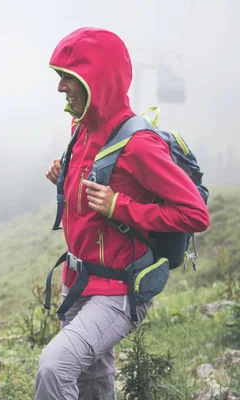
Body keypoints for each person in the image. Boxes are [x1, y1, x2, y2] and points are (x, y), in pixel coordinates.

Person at [37, 27, 210, 399]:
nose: (60, 87)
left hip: (118, 290)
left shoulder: (140, 146)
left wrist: (121, 206)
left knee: (54, 366)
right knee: (93, 382)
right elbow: (86, 192)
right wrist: (61, 173)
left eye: (68, 77)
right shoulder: (80, 128)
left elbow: (195, 214)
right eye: (60, 77)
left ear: (95, 78)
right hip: (77, 279)